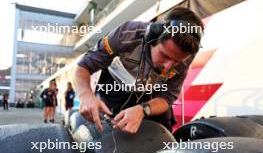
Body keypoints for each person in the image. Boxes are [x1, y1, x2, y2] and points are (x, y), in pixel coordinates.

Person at [73, 7, 204, 133]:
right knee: (109, 133)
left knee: (163, 135)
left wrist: (143, 109)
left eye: (176, 62)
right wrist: (85, 94)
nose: (168, 67)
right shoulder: (127, 34)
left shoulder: (186, 55)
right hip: (115, 85)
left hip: (152, 91)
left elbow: (167, 97)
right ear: (153, 36)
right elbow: (83, 66)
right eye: (165, 55)